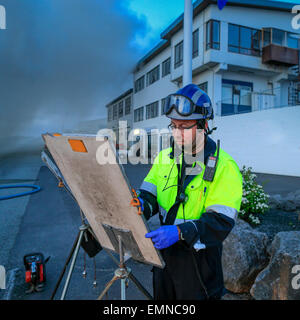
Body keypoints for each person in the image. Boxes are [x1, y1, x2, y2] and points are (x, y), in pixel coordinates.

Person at [136, 83, 243, 300]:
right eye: (173, 126)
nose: (177, 133)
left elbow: (220, 222)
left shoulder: (224, 166)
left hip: (199, 264)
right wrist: (141, 205)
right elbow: (150, 195)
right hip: (165, 258)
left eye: (184, 126)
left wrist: (180, 232)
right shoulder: (165, 157)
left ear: (204, 125)